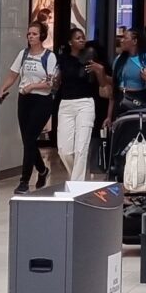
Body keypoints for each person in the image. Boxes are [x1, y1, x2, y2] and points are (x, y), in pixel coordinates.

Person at [0, 22, 58, 193]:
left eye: (34, 34)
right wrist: (3, 88)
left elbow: (51, 83)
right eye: (29, 34)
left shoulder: (49, 57)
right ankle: (42, 169)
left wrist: (32, 86)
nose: (31, 36)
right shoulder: (23, 54)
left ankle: (24, 181)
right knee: (28, 140)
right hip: (24, 100)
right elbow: (13, 74)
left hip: (42, 100)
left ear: (42, 36)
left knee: (30, 138)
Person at [54, 28, 107, 180]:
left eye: (83, 37)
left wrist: (100, 70)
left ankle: (76, 185)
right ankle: (80, 178)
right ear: (70, 42)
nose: (82, 40)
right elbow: (57, 83)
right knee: (64, 150)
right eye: (78, 38)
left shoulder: (90, 58)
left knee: (81, 148)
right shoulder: (63, 59)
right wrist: (54, 80)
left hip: (85, 103)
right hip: (66, 104)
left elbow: (103, 84)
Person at [112, 29, 146, 115]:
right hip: (120, 99)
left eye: (125, 38)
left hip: (138, 100)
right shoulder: (118, 59)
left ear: (134, 41)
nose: (121, 40)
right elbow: (113, 86)